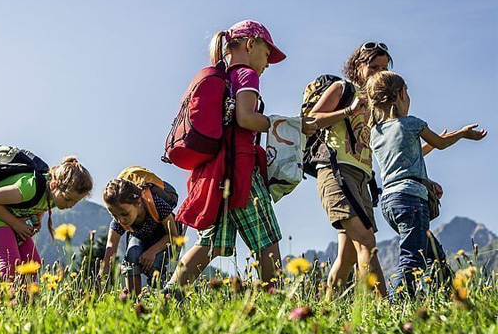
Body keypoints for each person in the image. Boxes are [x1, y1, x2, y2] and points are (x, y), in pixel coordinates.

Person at [165, 20, 310, 291]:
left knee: (212, 243)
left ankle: (170, 292)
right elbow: (245, 119)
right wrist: (281, 123)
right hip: (241, 169)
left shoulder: (223, 76)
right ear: (250, 44)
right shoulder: (246, 75)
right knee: (267, 241)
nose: (267, 63)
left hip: (216, 171)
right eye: (267, 54)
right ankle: (274, 300)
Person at [367, 71, 487, 298]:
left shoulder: (376, 133)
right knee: (413, 259)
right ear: (401, 94)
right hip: (411, 199)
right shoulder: (411, 124)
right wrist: (461, 134)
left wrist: (428, 146)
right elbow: (441, 143)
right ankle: (397, 305)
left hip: (390, 203)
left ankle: (451, 298)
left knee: (434, 255)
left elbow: (402, 159)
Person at [308, 42, 392, 299]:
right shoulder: (343, 89)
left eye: (384, 68)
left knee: (348, 258)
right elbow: (311, 120)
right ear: (358, 66)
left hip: (362, 180)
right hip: (336, 171)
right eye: (373, 67)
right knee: (367, 242)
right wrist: (349, 109)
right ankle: (385, 310)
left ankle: (327, 308)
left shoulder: (376, 106)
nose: (379, 73)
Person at [0, 156, 93, 281]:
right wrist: (15, 224)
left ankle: (23, 299)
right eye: (68, 199)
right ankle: (0, 298)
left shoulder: (55, 197)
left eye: (75, 202)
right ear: (54, 185)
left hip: (11, 218)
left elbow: (39, 206)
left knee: (32, 264)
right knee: (11, 262)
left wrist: (37, 218)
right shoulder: (29, 187)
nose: (70, 205)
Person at [100, 178, 181, 295]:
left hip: (163, 239)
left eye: (124, 214)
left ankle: (162, 295)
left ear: (138, 203)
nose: (120, 220)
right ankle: (134, 299)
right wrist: (102, 277)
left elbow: (173, 235)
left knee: (155, 264)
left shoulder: (156, 204)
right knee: (131, 255)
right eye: (114, 215)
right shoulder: (119, 220)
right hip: (140, 238)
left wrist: (152, 251)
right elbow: (111, 247)